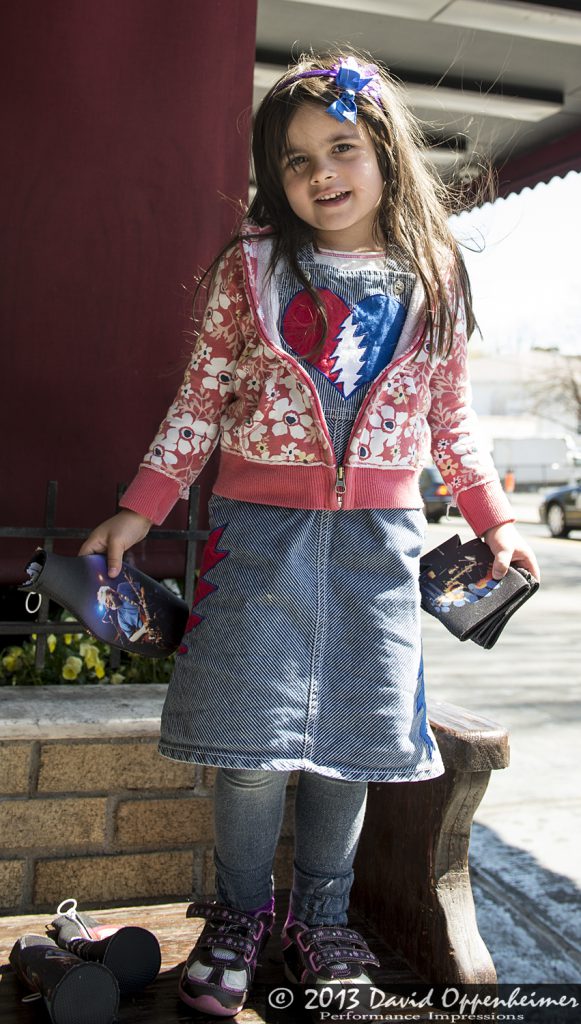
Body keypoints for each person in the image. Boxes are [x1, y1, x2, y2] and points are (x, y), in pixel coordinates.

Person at [80, 50, 540, 1017]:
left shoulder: (437, 274)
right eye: (293, 160)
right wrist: (142, 505)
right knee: (250, 750)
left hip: (380, 548)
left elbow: (450, 419)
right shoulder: (248, 268)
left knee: (353, 748)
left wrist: (494, 517)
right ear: (271, 175)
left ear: (385, 156)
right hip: (260, 538)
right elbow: (200, 403)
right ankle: (242, 913)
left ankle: (321, 918)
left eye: (340, 149)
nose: (319, 174)